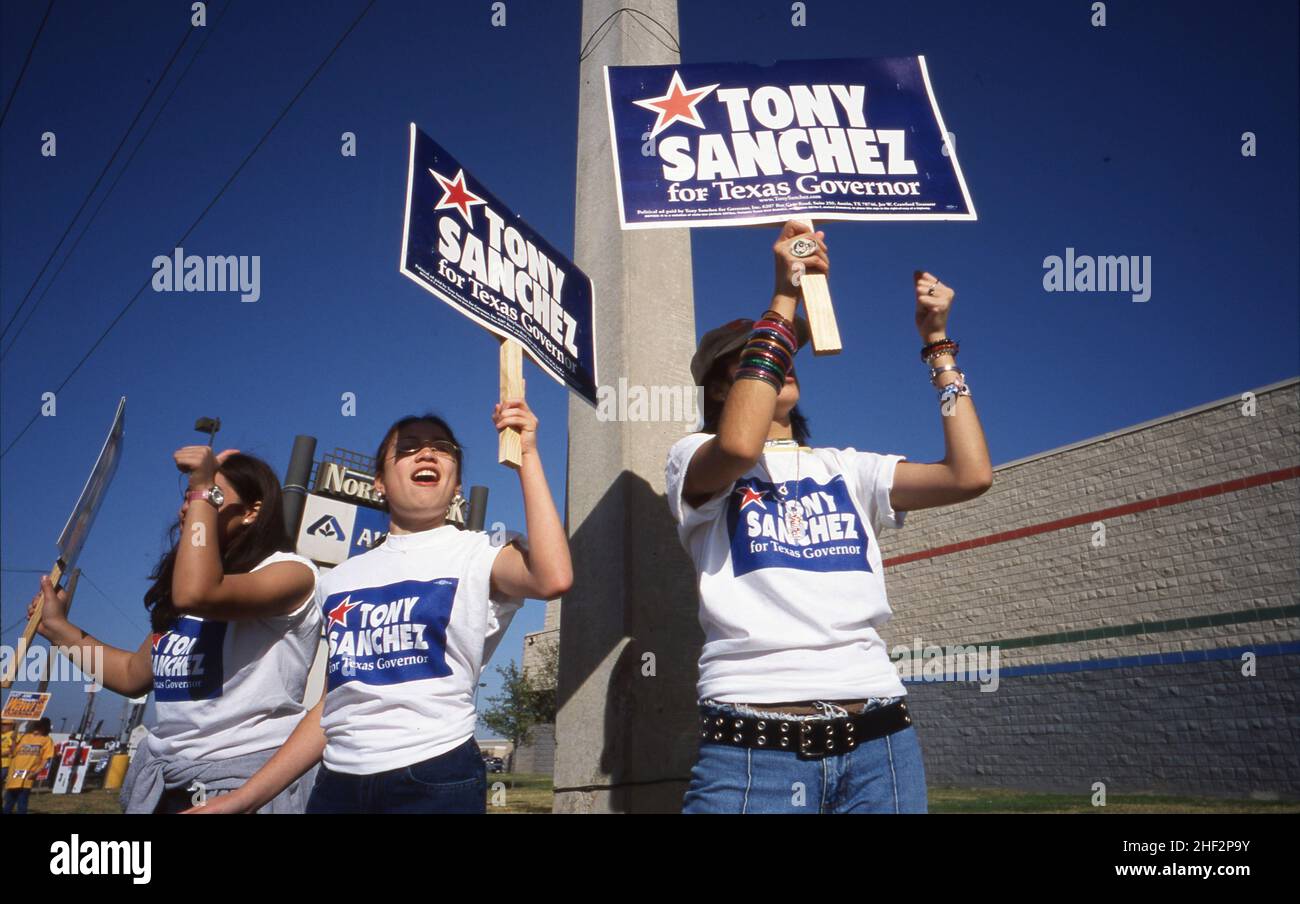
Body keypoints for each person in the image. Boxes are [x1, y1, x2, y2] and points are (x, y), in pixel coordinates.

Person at [666, 220, 993, 814]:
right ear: (719, 391)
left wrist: (939, 347)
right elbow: (739, 447)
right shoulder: (691, 459)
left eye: (787, 347)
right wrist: (785, 299)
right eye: (755, 357)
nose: (781, 354)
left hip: (879, 739)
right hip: (752, 746)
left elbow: (968, 475)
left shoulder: (847, 468)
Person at [190, 399, 572, 814]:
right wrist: (244, 798)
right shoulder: (336, 580)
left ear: (457, 484)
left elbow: (553, 578)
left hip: (436, 776)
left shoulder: (479, 552)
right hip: (336, 785)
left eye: (442, 448)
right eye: (407, 448)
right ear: (379, 483)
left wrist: (528, 455)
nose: (427, 453)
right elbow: (331, 706)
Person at [29, 446, 320, 813]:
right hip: (165, 781)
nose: (189, 507)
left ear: (251, 512)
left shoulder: (291, 572)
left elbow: (198, 592)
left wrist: (201, 487)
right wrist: (58, 629)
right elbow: (131, 675)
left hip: (242, 781)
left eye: (212, 496)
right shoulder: (184, 595)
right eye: (187, 498)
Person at [2, 718, 55, 814]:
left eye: (40, 726)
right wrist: (14, 740)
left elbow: (46, 759)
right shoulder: (25, 737)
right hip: (15, 772)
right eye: (36, 725)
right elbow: (13, 752)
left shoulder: (47, 740)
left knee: (22, 801)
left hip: (29, 772)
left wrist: (36, 772)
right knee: (9, 800)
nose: (37, 728)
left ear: (44, 727)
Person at [0, 719, 18, 786]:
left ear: (11, 725)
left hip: (5, 764)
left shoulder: (12, 735)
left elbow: (12, 750)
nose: (2, 726)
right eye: (2, 724)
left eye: (5, 724)